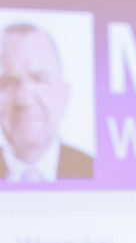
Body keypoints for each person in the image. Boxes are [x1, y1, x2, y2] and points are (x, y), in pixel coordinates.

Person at [0, 22, 93, 181]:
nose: (25, 100)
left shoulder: (90, 169)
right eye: (9, 82)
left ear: (64, 95)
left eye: (39, 79)